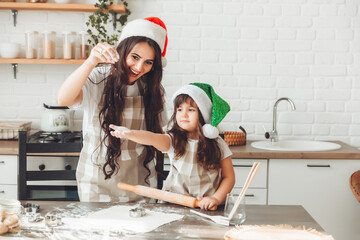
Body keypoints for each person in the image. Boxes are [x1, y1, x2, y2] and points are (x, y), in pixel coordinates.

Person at [57, 17, 169, 202]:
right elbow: (64, 99)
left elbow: (162, 140)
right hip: (96, 181)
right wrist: (91, 61)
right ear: (122, 51)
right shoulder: (97, 78)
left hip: (140, 181)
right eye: (135, 57)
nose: (139, 67)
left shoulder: (153, 89)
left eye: (148, 62)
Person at [110, 83, 236, 210]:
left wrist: (215, 198)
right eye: (179, 109)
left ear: (203, 114)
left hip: (207, 206)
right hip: (174, 204)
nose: (183, 115)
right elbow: (153, 138)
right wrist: (131, 133)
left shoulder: (218, 143)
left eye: (191, 110)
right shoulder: (174, 139)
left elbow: (229, 177)